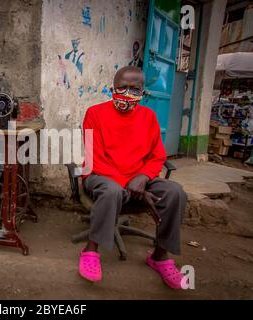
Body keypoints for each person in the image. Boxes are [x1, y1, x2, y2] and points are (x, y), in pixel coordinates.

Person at [80, 66, 187, 289]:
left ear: (142, 92)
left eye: (134, 89)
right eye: (122, 88)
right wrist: (130, 185)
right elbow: (94, 159)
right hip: (101, 174)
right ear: (112, 89)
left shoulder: (148, 117)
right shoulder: (94, 113)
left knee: (175, 192)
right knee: (112, 191)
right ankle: (91, 250)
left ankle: (160, 256)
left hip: (139, 179)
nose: (128, 94)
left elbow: (158, 155)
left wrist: (143, 177)